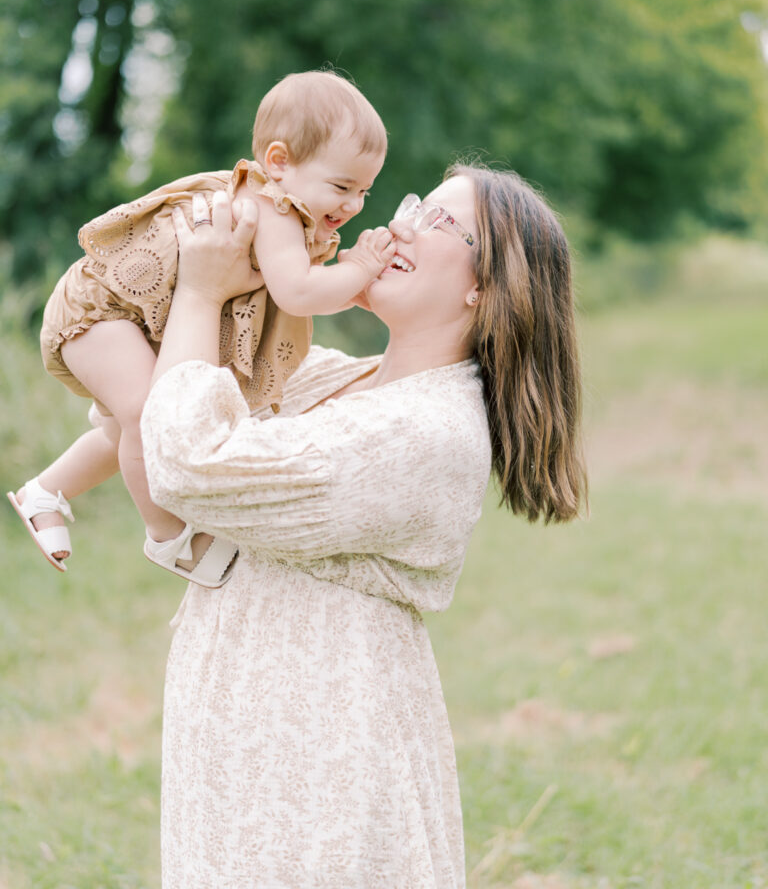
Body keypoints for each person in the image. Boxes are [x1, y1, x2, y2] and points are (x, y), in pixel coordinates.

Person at [140, 162, 587, 888]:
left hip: (320, 763)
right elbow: (186, 373)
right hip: (254, 737)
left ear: (486, 288)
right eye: (416, 205)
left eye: (443, 222)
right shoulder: (341, 379)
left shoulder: (425, 432)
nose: (403, 223)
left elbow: (190, 460)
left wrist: (199, 289)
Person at [7, 71, 392, 585]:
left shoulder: (296, 213)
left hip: (135, 316)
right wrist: (361, 270)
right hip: (104, 310)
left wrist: (355, 290)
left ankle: (44, 492)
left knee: (125, 425)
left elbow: (300, 291)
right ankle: (170, 536)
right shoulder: (272, 206)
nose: (353, 206)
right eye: (342, 187)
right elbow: (297, 292)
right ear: (280, 163)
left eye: (365, 191)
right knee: (149, 416)